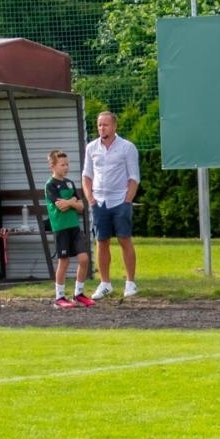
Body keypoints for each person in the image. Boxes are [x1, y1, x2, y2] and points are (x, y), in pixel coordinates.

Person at [83, 110, 140, 299]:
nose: (102, 128)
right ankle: (105, 283)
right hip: (99, 202)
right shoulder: (91, 148)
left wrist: (127, 200)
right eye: (99, 125)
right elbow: (87, 176)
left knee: (124, 239)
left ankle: (130, 283)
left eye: (105, 124)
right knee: (101, 241)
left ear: (114, 126)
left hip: (120, 201)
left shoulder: (127, 147)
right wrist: (90, 198)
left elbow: (134, 177)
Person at [44, 150, 95, 309]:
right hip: (61, 228)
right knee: (64, 262)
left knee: (84, 259)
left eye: (67, 164)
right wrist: (72, 201)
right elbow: (61, 206)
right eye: (62, 165)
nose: (66, 167)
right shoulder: (50, 185)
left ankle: (78, 294)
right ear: (52, 166)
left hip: (74, 228)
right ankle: (59, 297)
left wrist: (72, 202)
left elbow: (80, 206)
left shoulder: (70, 183)